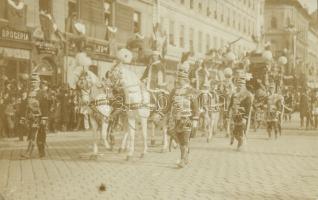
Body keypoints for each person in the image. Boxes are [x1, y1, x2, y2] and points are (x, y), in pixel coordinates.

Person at [165, 67, 199, 168]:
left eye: (180, 79)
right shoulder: (174, 91)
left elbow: (196, 107)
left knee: (184, 140)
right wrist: (160, 114)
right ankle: (185, 156)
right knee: (177, 137)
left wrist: (195, 120)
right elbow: (168, 105)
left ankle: (183, 160)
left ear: (185, 80)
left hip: (186, 119)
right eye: (178, 78)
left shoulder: (191, 91)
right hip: (175, 119)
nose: (178, 81)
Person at [228, 70, 253, 150]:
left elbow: (248, 107)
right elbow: (230, 104)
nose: (239, 86)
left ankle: (240, 143)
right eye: (238, 84)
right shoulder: (234, 94)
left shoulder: (247, 95)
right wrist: (228, 113)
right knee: (233, 131)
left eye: (241, 85)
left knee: (241, 130)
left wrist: (245, 117)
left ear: (244, 86)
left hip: (242, 115)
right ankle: (239, 140)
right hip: (234, 114)